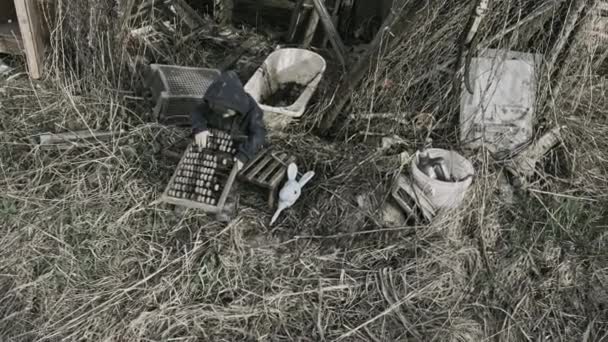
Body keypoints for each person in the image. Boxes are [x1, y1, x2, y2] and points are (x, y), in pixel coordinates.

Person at [191, 70, 266, 170]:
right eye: (218, 111)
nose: (223, 115)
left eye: (226, 112)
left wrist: (244, 155)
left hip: (238, 146)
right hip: (214, 141)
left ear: (237, 106)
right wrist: (199, 128)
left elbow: (259, 134)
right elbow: (197, 112)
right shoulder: (213, 103)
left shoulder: (252, 110)